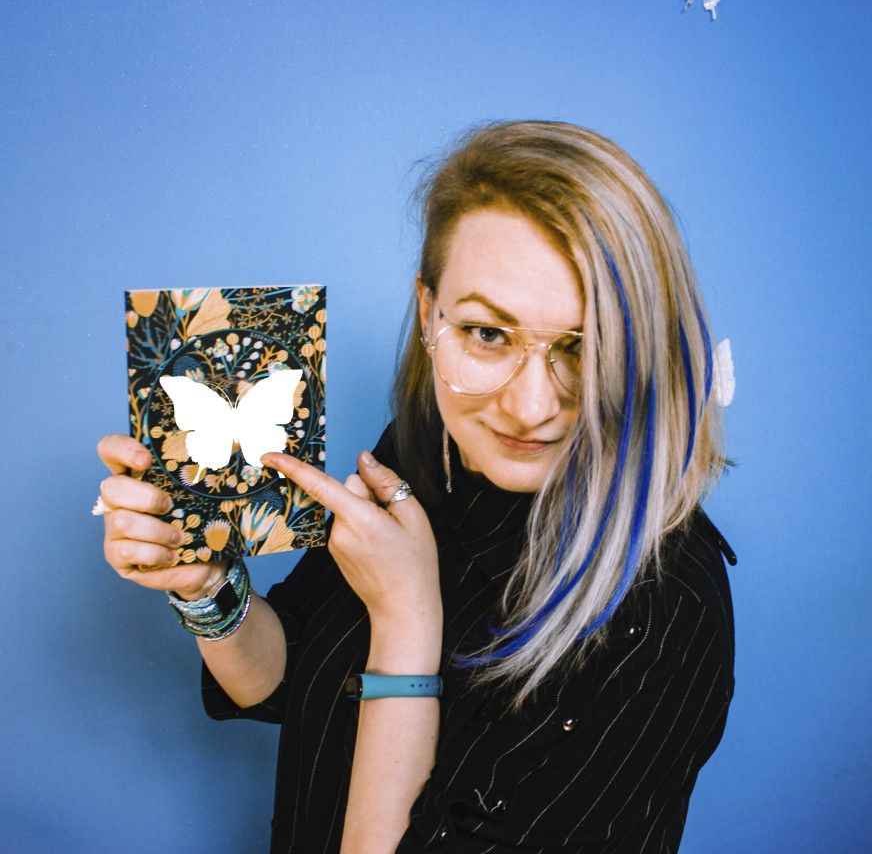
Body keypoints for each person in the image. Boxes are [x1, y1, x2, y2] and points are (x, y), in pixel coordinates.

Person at [95, 119, 738, 853]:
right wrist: (205, 584)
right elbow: (281, 680)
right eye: (487, 334)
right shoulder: (426, 450)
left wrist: (405, 616)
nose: (530, 407)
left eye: (581, 347)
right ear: (431, 315)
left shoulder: (663, 611)